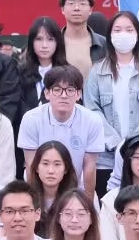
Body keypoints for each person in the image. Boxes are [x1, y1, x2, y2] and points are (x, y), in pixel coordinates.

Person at [85, 11, 139, 186]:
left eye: (129, 30)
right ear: (110, 36)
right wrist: (115, 143)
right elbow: (91, 110)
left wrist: (133, 142)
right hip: (105, 157)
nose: (123, 34)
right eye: (118, 30)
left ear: (137, 35)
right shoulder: (97, 71)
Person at [15, 66, 105, 194]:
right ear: (47, 93)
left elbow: (89, 167)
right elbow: (30, 165)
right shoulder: (31, 119)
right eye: (57, 90)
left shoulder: (92, 120)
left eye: (70, 90)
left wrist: (87, 203)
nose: (63, 96)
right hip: (40, 188)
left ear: (79, 94)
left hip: (77, 189)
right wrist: (34, 200)